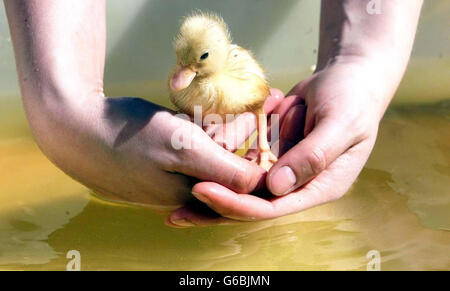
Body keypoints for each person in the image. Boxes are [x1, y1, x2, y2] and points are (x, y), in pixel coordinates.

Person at [4, 0, 423, 227]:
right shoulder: (197, 71)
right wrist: (63, 107)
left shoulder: (230, 74)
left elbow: (255, 97)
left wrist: (361, 61)